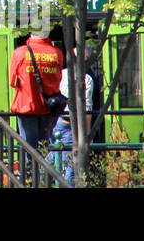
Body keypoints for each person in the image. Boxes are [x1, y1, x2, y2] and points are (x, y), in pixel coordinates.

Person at [8, 30, 64, 150]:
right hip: (49, 107)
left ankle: (30, 168)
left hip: (26, 107)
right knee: (45, 146)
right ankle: (43, 167)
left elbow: (12, 82)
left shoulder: (20, 52)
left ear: (31, 35)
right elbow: (58, 79)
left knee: (29, 146)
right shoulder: (57, 53)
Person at [54, 56, 93, 185]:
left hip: (55, 122)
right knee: (69, 165)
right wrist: (87, 135)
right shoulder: (86, 79)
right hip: (71, 124)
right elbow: (86, 109)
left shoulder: (59, 74)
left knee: (53, 156)